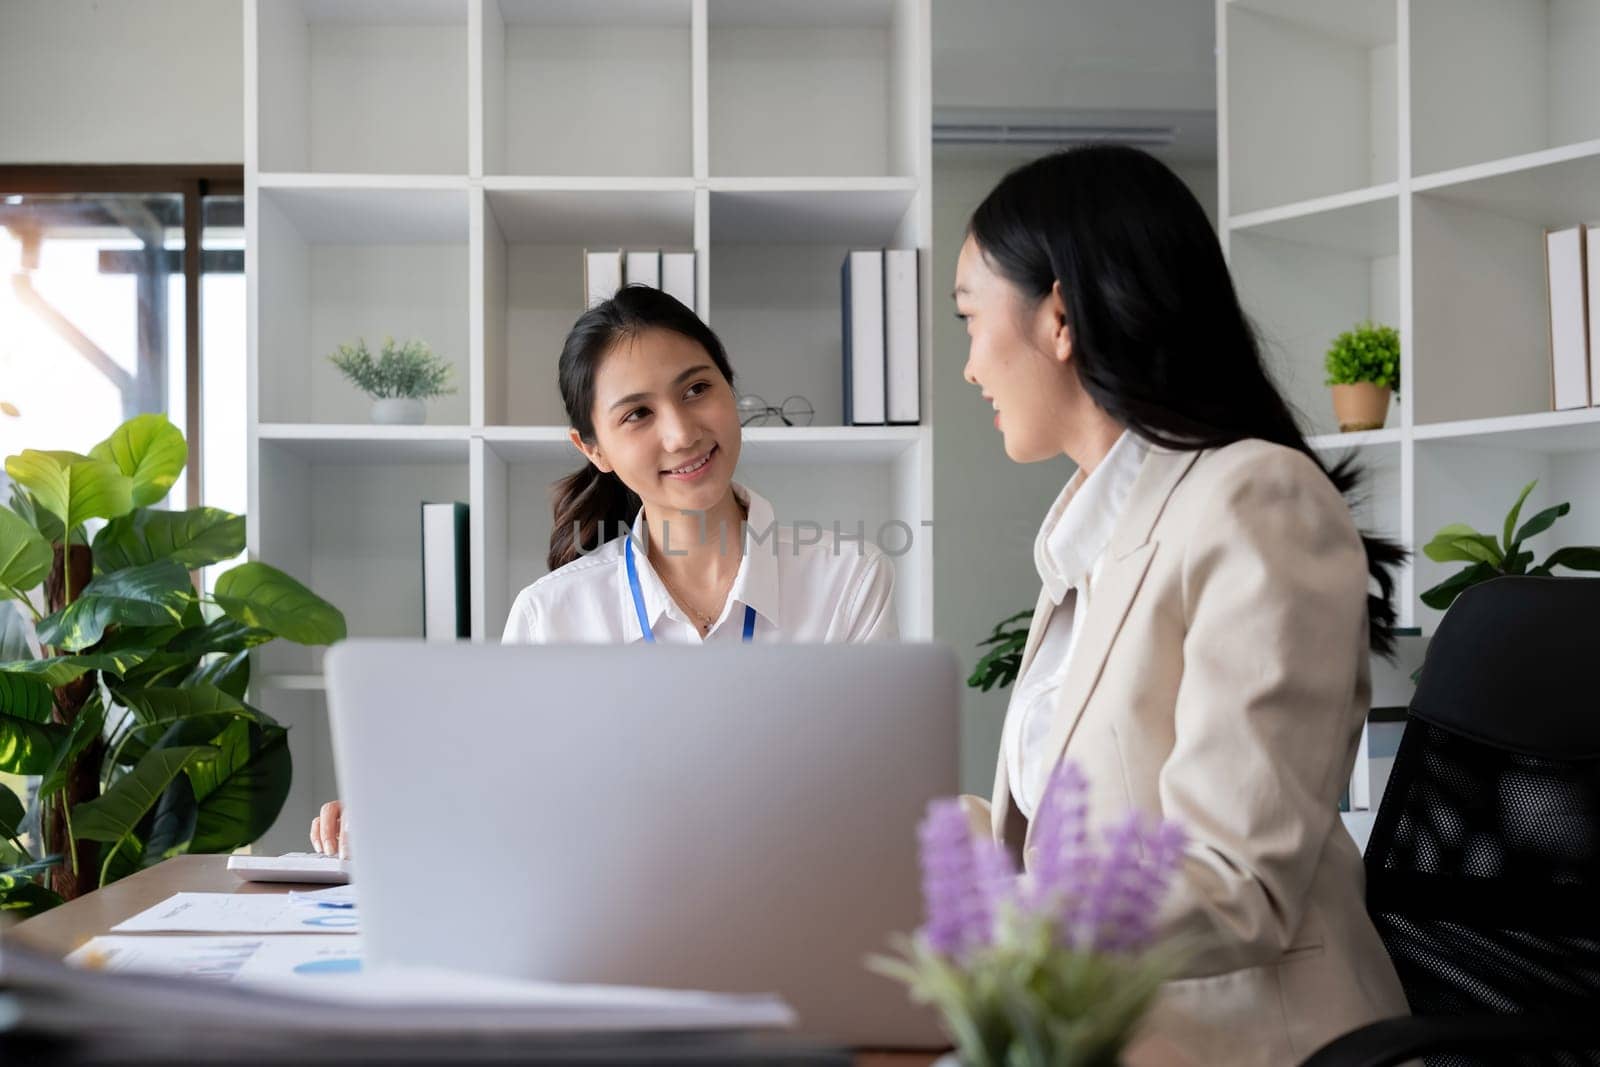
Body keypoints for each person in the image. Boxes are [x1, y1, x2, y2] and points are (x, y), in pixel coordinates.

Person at [951, 145, 1409, 1064]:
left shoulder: (1255, 500)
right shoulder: (1091, 536)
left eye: (969, 318)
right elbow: (1069, 841)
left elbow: (1234, 880)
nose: (968, 367)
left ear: (1060, 316)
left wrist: (995, 916)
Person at [311, 286, 897, 855]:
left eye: (696, 388)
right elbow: (503, 802)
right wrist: (390, 816)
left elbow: (880, 800)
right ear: (594, 449)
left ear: (728, 387)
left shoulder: (846, 582)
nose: (682, 432)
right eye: (637, 414)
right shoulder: (553, 614)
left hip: (796, 917)